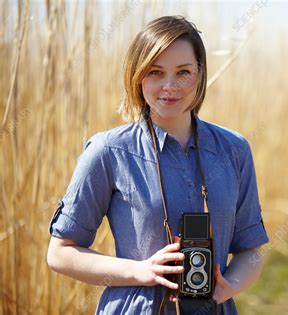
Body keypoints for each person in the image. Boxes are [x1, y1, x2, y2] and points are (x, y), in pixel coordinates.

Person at [46, 15, 269, 314]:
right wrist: (142, 271)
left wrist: (228, 287)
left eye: (183, 72)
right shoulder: (107, 151)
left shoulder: (235, 150)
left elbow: (250, 250)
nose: (170, 86)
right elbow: (60, 253)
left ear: (200, 74)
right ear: (138, 76)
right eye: (155, 72)